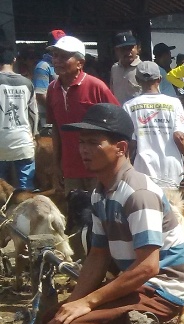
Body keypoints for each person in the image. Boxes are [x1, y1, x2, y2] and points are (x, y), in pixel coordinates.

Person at [47, 103, 184, 324]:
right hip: (135, 281)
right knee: (56, 319)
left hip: (160, 289)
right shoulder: (101, 192)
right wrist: (72, 303)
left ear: (120, 148)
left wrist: (87, 303)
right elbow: (97, 255)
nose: (82, 149)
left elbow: (148, 267)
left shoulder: (137, 192)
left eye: (92, 142)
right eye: (81, 141)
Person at [46, 34, 119, 198]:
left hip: (99, 168)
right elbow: (56, 129)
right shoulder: (52, 89)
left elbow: (117, 124)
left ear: (80, 63)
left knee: (100, 214)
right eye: (55, 56)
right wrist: (56, 165)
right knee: (76, 216)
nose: (57, 60)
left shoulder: (96, 87)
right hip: (70, 170)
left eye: (64, 57)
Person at [122, 61, 184, 193]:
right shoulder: (174, 103)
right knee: (173, 207)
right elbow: (179, 136)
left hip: (143, 167)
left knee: (149, 206)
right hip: (171, 167)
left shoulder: (129, 106)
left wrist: (128, 164)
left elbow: (131, 143)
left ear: (137, 80)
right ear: (159, 79)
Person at [0, 48, 38, 191]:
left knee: (1, 192)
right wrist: (33, 135)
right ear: (14, 60)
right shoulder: (27, 83)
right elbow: (33, 114)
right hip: (23, 141)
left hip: (1, 143)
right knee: (26, 188)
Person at [33, 30, 63, 131]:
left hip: (62, 120)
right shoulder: (43, 66)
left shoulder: (64, 65)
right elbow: (41, 95)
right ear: (50, 46)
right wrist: (59, 110)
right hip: (49, 123)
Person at [109, 32, 141, 104]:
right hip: (119, 112)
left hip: (137, 113)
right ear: (116, 51)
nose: (128, 52)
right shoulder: (114, 68)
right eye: (123, 49)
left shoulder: (143, 68)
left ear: (137, 48)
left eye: (130, 48)